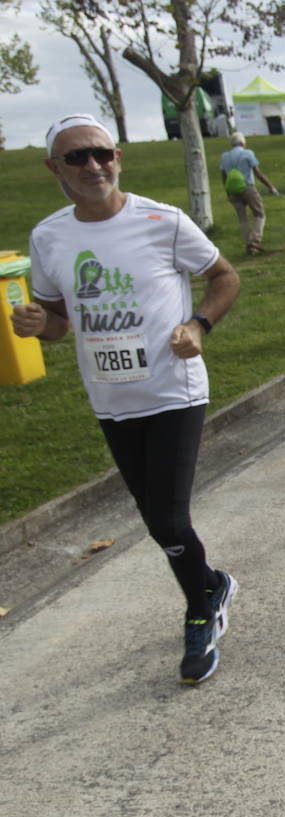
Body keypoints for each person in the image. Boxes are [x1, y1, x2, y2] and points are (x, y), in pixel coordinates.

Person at [18, 113, 241, 684]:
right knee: (154, 519)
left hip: (173, 390)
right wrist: (36, 324)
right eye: (76, 157)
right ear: (54, 169)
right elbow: (61, 324)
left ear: (118, 158)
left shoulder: (161, 221)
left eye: (102, 153)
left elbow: (224, 277)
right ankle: (211, 581)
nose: (93, 165)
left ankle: (201, 609)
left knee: (168, 519)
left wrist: (198, 325)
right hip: (112, 400)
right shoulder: (49, 237)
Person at [219, 131, 279, 255]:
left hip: (232, 190)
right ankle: (254, 241)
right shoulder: (248, 154)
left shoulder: (224, 156)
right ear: (242, 143)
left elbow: (224, 176)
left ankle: (248, 244)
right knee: (259, 214)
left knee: (242, 218)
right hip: (248, 187)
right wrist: (271, 187)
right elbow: (258, 173)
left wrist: (228, 191)